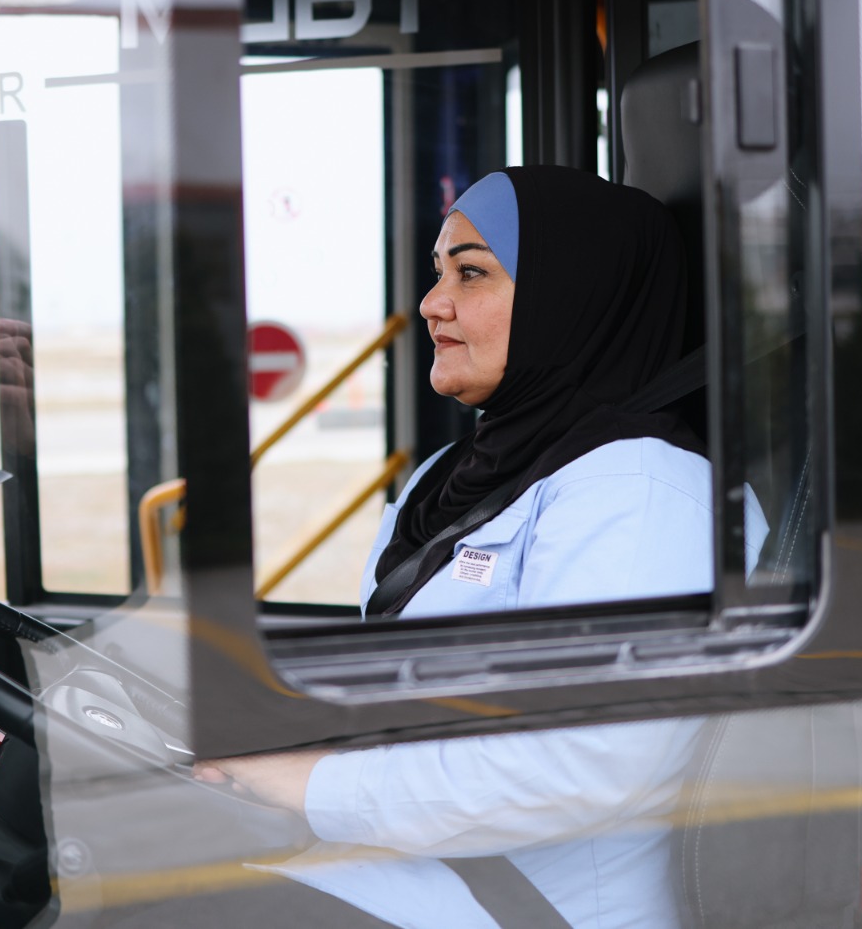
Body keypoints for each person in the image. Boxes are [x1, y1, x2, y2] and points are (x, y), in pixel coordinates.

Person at [195, 166, 769, 928]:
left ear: (571, 296)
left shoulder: (644, 490)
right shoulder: (459, 474)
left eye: (472, 272)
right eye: (439, 273)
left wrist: (308, 784)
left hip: (523, 907)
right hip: (414, 873)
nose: (432, 304)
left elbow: (582, 763)